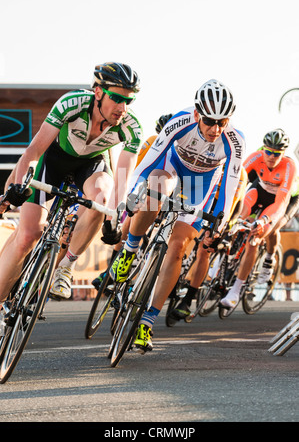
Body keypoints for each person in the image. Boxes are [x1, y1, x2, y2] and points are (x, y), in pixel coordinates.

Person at [110, 79, 246, 352]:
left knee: (177, 249)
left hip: (200, 187)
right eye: (209, 121)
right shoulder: (180, 121)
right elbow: (151, 158)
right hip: (171, 169)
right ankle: (129, 250)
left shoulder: (235, 140)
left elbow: (230, 185)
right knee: (155, 190)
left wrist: (217, 220)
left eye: (222, 122)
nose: (215, 129)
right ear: (197, 114)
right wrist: (135, 192)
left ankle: (147, 322)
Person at [0, 62, 143, 306]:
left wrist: (114, 219)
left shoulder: (131, 128)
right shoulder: (73, 103)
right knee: (28, 236)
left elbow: (122, 180)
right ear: (98, 92)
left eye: (128, 101)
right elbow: (34, 150)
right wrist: (19, 184)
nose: (122, 107)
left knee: (102, 200)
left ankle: (66, 267)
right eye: (116, 98)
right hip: (54, 160)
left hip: (90, 166)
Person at [91, 113, 173, 290]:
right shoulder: (152, 142)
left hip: (170, 191)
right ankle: (110, 271)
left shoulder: (183, 152)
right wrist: (132, 194)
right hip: (149, 186)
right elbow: (137, 170)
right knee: (130, 220)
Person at [220, 129, 297, 309]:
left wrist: (263, 221)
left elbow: (280, 204)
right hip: (261, 190)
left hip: (285, 199)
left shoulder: (289, 167)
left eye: (276, 153)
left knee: (259, 236)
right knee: (240, 214)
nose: (271, 156)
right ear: (263, 149)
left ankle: (240, 287)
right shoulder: (256, 157)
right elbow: (236, 181)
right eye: (268, 151)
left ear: (283, 154)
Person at [171, 165, 248, 320]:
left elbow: (233, 204)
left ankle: (187, 300)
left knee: (204, 250)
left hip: (224, 209)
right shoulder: (208, 161)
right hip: (202, 198)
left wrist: (218, 230)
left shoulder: (238, 172)